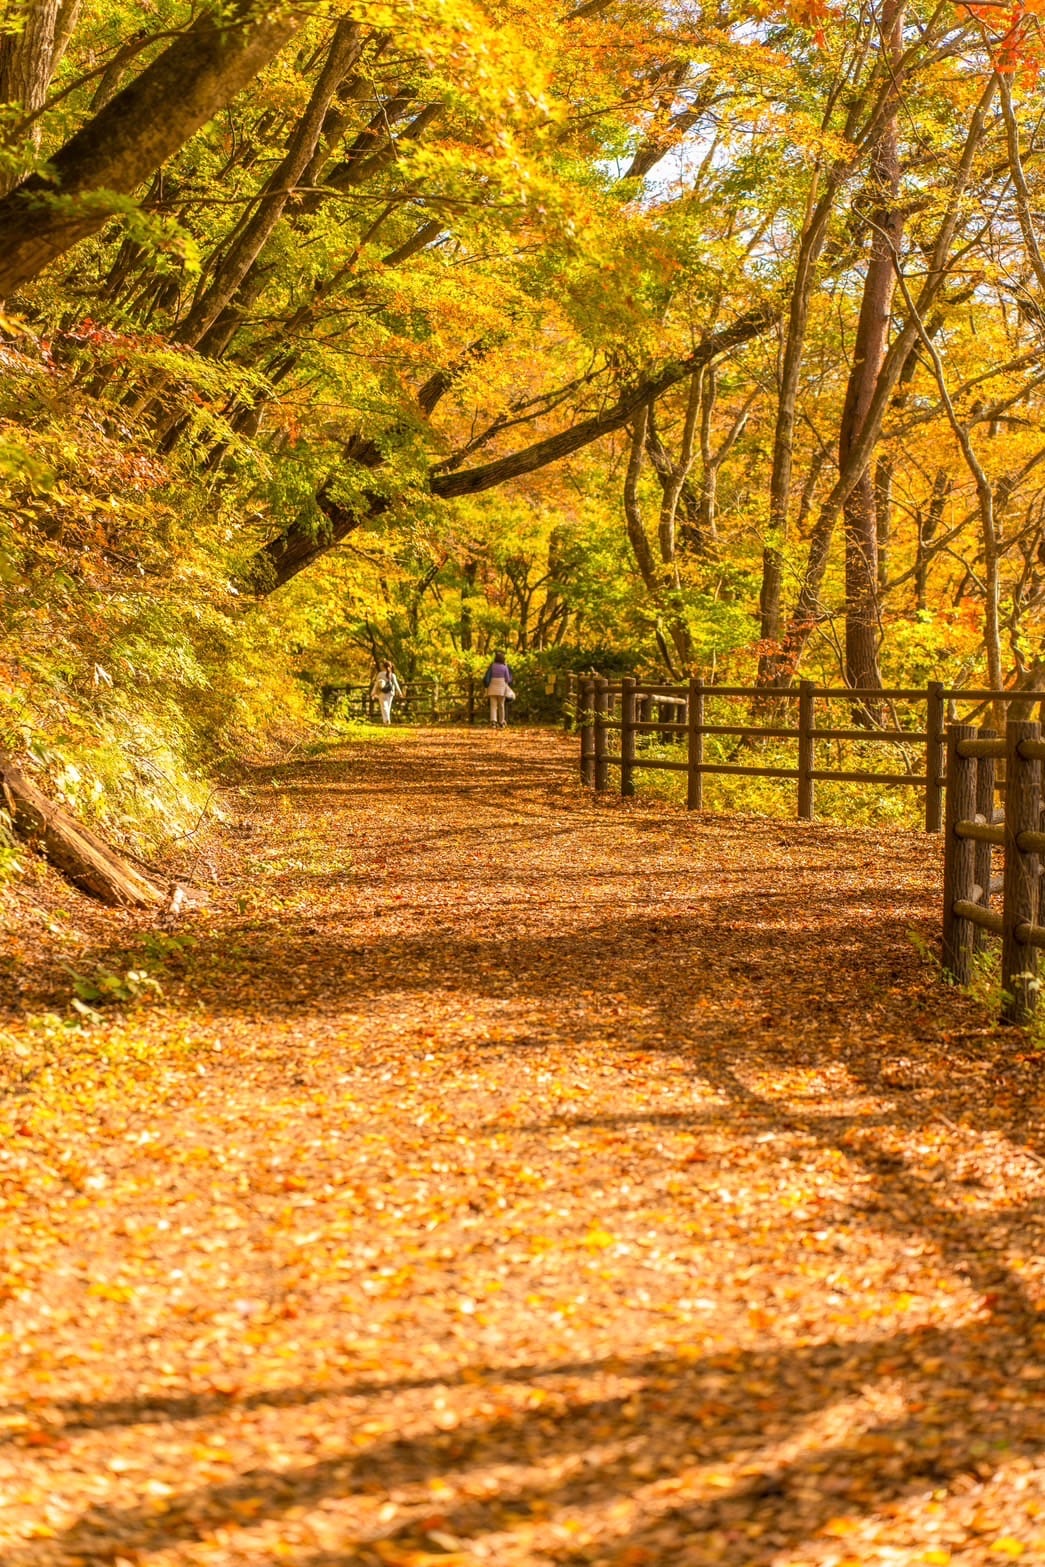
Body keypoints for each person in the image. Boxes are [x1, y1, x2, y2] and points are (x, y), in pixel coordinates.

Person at [483, 652, 513, 728]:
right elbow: (508, 679)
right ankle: (502, 722)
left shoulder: (492, 666)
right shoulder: (504, 667)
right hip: (502, 687)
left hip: (492, 687)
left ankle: (493, 722)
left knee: (493, 705)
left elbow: (487, 677)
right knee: (501, 705)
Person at [370, 660, 402, 724]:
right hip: (390, 693)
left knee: (383, 707)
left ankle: (386, 720)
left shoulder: (380, 674)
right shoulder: (392, 675)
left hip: (382, 693)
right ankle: (387, 721)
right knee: (388, 706)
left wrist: (373, 692)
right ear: (390, 666)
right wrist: (400, 692)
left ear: (383, 667)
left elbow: (376, 684)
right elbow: (396, 684)